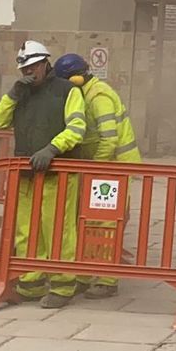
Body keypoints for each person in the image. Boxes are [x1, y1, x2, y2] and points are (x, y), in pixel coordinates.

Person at [0, 40, 89, 308]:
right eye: (25, 69)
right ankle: (30, 282)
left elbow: (77, 128)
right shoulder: (21, 93)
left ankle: (62, 285)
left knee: (58, 229)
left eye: (33, 67)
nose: (29, 73)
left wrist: (52, 149)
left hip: (59, 172)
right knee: (27, 229)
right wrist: (12, 95)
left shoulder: (68, 91)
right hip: (26, 172)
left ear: (46, 63)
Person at [53, 53, 141, 298]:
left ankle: (106, 279)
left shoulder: (98, 95)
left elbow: (109, 138)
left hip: (113, 168)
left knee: (106, 224)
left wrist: (95, 169)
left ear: (78, 77)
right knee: (90, 221)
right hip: (102, 169)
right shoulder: (86, 93)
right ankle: (85, 273)